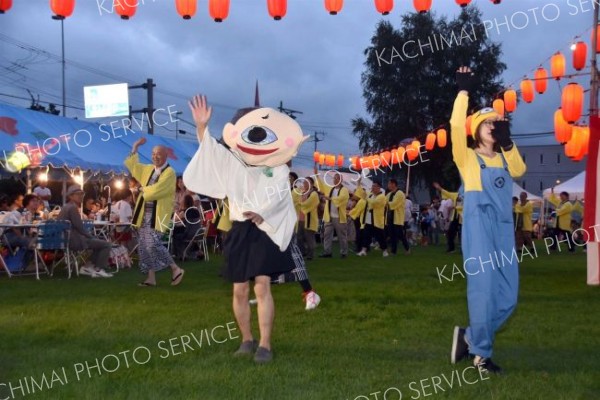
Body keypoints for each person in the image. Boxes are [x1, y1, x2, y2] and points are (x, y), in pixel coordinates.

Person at [183, 95, 309, 363]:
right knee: (239, 289)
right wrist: (202, 127)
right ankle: (246, 340)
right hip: (240, 229)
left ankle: (265, 344)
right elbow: (211, 151)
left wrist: (261, 212)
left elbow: (278, 197)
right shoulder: (233, 162)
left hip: (265, 230)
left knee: (262, 287)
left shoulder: (277, 169)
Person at [450, 67, 526, 374]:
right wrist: (463, 92)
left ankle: (469, 336)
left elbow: (519, 171)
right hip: (479, 227)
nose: (493, 126)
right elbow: (456, 126)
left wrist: (508, 144)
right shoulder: (468, 159)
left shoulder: (506, 156)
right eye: (488, 123)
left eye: (497, 122)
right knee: (483, 289)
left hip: (504, 230)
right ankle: (481, 355)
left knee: (508, 296)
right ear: (477, 128)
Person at [124, 138, 185, 287]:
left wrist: (140, 189)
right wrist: (135, 146)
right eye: (153, 154)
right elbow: (133, 167)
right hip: (144, 214)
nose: (155, 156)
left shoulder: (170, 172)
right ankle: (151, 278)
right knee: (144, 245)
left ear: (165, 156)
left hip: (158, 215)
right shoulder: (149, 169)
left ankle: (175, 268)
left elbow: (157, 190)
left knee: (152, 244)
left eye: (158, 154)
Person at [58, 186, 113, 278]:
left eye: (82, 194)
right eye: (78, 194)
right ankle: (99, 269)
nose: (81, 196)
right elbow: (79, 227)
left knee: (98, 244)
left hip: (66, 239)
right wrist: (91, 236)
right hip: (74, 240)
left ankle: (88, 267)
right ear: (71, 196)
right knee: (106, 244)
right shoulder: (72, 208)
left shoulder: (66, 207)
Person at [319, 172, 349, 258]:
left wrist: (330, 198)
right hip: (329, 216)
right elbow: (321, 186)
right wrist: (317, 175)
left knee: (341, 236)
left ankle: (344, 252)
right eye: (334, 178)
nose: (335, 180)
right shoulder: (330, 188)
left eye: (337, 178)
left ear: (341, 180)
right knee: (327, 235)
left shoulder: (344, 190)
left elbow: (341, 199)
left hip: (339, 217)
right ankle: (327, 252)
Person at [358, 181, 388, 257]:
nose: (372, 187)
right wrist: (359, 184)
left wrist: (366, 198)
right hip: (369, 220)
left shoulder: (382, 197)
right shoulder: (371, 195)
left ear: (379, 187)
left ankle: (385, 251)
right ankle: (363, 250)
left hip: (377, 221)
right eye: (372, 186)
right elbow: (362, 194)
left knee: (380, 237)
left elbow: (374, 203)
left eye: (374, 186)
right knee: (366, 236)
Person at [433, 182, 463, 253]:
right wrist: (439, 188)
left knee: (463, 235)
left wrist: (456, 207)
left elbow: (467, 207)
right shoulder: (455, 195)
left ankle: (464, 249)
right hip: (455, 218)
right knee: (450, 232)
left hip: (463, 218)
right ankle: (451, 248)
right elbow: (447, 193)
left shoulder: (468, 197)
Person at [386, 179, 410, 255]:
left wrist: (385, 204)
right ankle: (394, 251)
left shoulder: (400, 194)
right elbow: (384, 201)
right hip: (390, 217)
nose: (388, 185)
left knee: (400, 235)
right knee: (392, 235)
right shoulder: (389, 194)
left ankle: (407, 248)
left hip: (397, 218)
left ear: (393, 184)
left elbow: (394, 204)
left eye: (389, 184)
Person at [548, 188, 575, 253]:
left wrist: (554, 211)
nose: (561, 197)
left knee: (567, 237)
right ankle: (553, 248)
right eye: (560, 196)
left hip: (564, 223)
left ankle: (572, 249)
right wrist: (552, 193)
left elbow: (562, 211)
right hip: (558, 223)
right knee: (554, 235)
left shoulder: (568, 204)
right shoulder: (560, 203)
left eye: (562, 196)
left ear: (567, 196)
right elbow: (553, 200)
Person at [300, 177, 320, 261]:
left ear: (311, 184)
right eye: (304, 182)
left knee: (309, 238)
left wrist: (298, 203)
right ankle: (305, 253)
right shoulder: (303, 192)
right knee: (301, 237)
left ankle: (310, 255)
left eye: (306, 182)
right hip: (301, 218)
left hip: (309, 219)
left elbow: (307, 204)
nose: (304, 184)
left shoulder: (314, 194)